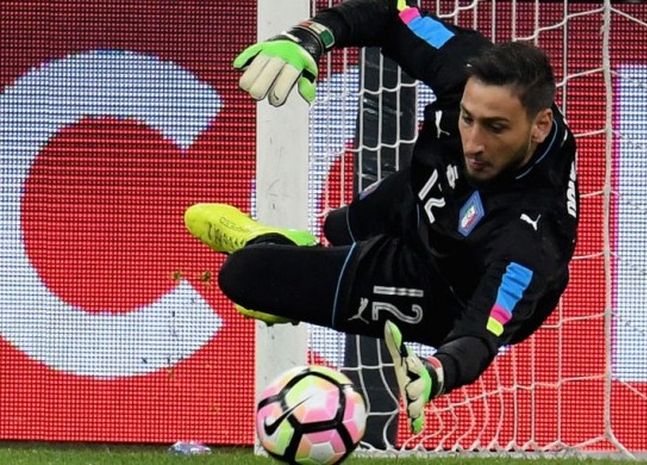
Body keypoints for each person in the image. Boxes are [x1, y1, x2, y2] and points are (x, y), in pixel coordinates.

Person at [184, 0, 578, 435]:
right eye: (467, 118)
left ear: (540, 126)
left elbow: (481, 333)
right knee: (339, 228)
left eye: (496, 127)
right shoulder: (466, 67)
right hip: (422, 192)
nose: (474, 142)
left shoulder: (533, 235)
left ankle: (275, 251)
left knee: (245, 277)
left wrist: (435, 373)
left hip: (445, 287)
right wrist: (313, 35)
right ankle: (301, 247)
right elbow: (392, 14)